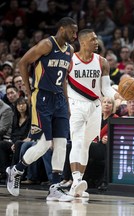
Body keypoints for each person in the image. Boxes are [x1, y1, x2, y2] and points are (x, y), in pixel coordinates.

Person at [6, 17, 78, 202]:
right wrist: (29, 92)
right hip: (43, 97)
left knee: (61, 144)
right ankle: (17, 170)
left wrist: (67, 104)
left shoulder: (69, 50)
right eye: (72, 31)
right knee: (45, 144)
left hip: (60, 100)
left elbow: (64, 80)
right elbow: (23, 62)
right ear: (62, 29)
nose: (75, 35)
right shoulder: (47, 44)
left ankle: (54, 187)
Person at [67, 29, 121, 198]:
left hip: (95, 106)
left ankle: (78, 185)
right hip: (75, 104)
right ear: (83, 42)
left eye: (96, 39)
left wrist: (117, 95)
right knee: (77, 141)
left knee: (86, 144)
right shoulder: (70, 60)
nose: (96, 42)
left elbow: (105, 88)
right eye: (93, 39)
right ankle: (75, 180)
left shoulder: (102, 61)